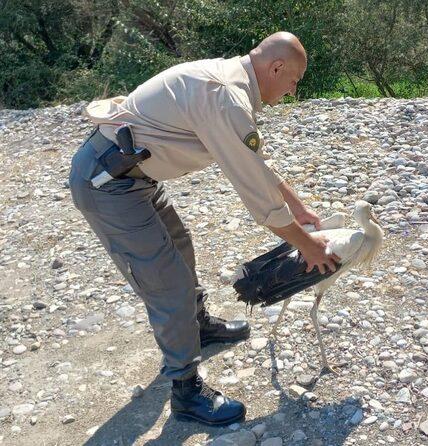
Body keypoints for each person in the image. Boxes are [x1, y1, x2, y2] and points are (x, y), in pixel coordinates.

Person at [68, 31, 340, 426]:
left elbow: (255, 163)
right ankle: (186, 391)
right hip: (108, 183)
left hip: (134, 177)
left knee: (180, 246)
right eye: (293, 81)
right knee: (167, 282)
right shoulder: (226, 95)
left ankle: (198, 326)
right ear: (276, 67)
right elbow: (260, 201)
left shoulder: (233, 83)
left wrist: (298, 208)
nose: (293, 91)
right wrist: (307, 246)